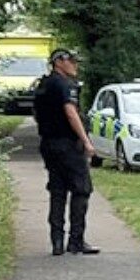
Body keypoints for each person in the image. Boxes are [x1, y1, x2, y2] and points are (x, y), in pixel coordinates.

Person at [33, 48, 100, 256]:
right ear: (59, 62)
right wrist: (86, 141)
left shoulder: (43, 85)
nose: (75, 65)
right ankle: (76, 240)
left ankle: (57, 241)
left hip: (49, 144)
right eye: (71, 61)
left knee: (58, 190)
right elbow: (71, 113)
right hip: (67, 145)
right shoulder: (65, 85)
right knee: (81, 189)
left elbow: (37, 114)